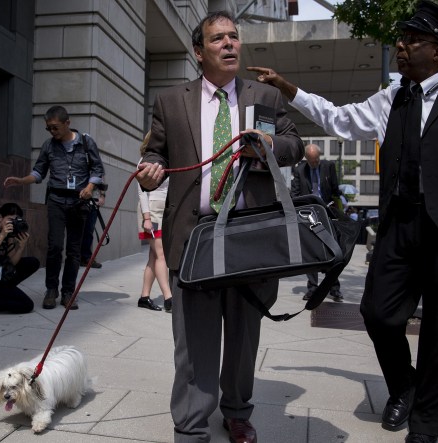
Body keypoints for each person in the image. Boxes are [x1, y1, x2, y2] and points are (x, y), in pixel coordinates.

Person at [249, 2, 438, 442]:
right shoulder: (391, 97)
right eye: (402, 38)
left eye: (412, 40)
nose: (401, 46)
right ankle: (404, 385)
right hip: (399, 226)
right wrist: (288, 88)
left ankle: (426, 428)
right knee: (377, 313)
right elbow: (341, 120)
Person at [135, 10, 304, 443]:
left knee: (244, 336)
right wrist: (151, 169)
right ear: (198, 51)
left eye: (233, 37)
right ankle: (191, 425)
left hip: (251, 237)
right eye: (218, 39)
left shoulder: (264, 97)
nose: (229, 44)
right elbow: (155, 153)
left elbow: (294, 145)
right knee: (194, 341)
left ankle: (237, 412)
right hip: (194, 237)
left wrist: (269, 145)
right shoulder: (170, 101)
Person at [4, 105, 105, 311]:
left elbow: (97, 169)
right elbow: (39, 172)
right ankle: (51, 289)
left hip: (79, 201)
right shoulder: (49, 146)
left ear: (67, 123)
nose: (52, 131)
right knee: (55, 247)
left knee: (74, 250)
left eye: (55, 127)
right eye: (49, 128)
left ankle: (68, 291)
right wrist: (23, 180)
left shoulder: (86, 142)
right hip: (56, 201)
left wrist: (90, 187)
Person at [290, 143, 344, 302]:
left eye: (317, 159)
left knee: (333, 250)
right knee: (311, 252)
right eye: (312, 161)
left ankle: (334, 288)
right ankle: (312, 288)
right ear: (307, 159)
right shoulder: (300, 170)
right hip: (309, 215)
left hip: (327, 212)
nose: (315, 163)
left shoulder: (328, 166)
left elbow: (335, 190)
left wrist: (340, 207)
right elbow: (295, 193)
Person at [136, 132, 171, 312]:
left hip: (162, 211)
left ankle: (144, 296)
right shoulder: (145, 161)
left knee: (153, 255)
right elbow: (142, 192)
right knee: (161, 255)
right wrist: (147, 218)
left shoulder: (167, 161)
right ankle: (168, 297)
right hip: (151, 213)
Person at [80, 183, 107, 269]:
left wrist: (102, 195)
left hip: (93, 202)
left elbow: (101, 181)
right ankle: (77, 258)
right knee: (77, 231)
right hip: (79, 198)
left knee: (89, 231)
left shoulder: (98, 169)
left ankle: (86, 258)